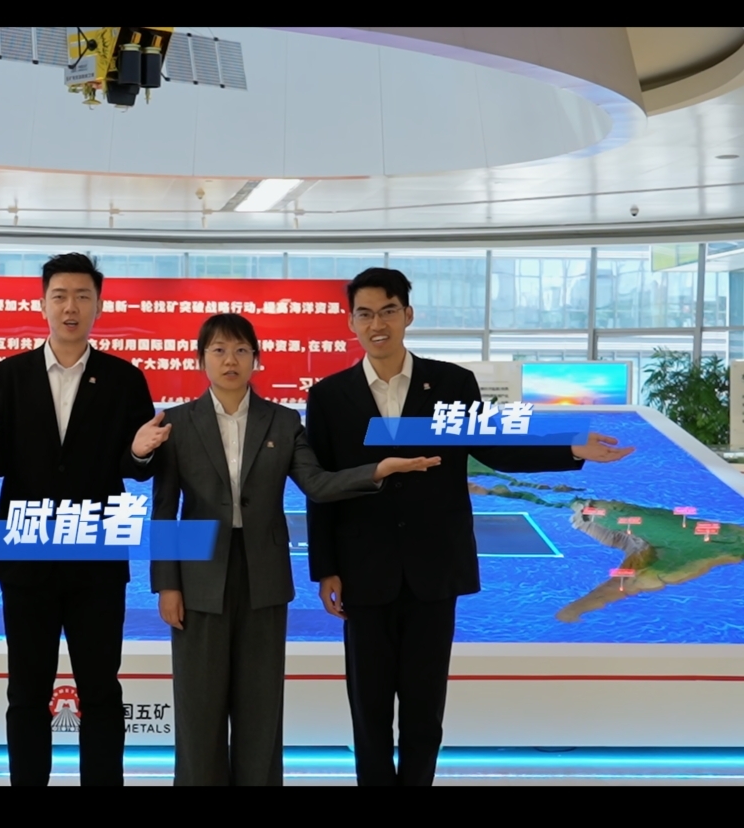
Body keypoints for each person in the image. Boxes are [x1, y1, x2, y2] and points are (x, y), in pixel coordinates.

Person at [305, 267, 633, 786]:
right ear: (351, 322)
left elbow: (495, 447)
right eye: (365, 314)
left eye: (388, 311)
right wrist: (326, 568)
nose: (377, 324)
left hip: (434, 569)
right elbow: (321, 485)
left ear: (408, 315)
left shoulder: (450, 383)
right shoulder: (328, 396)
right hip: (363, 570)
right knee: (368, 709)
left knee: (424, 707)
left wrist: (570, 447)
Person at [150, 313, 441, 786]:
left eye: (241, 350)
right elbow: (165, 507)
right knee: (198, 709)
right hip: (199, 577)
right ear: (201, 359)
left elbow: (317, 483)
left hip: (265, 577)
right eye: (219, 350)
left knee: (261, 709)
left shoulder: (283, 422)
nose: (230, 360)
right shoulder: (177, 423)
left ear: (256, 359)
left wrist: (376, 471)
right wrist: (167, 584)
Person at [0, 253, 170, 786]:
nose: (71, 307)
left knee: (101, 690)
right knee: (27, 690)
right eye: (60, 296)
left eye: (82, 296)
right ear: (43, 303)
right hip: (27, 557)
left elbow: (137, 469)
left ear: (98, 304)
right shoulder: (10, 375)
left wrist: (140, 452)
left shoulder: (124, 379)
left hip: (97, 558)